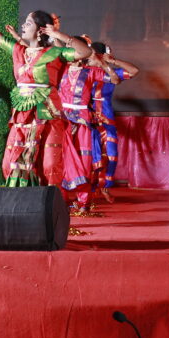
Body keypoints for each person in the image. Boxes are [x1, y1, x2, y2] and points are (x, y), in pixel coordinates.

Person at [0, 0, 90, 187]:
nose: (23, 26)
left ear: (40, 30)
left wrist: (57, 33)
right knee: (10, 163)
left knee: (48, 164)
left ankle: (48, 201)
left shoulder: (54, 53)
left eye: (28, 23)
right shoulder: (18, 51)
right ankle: (19, 200)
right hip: (21, 115)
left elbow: (85, 53)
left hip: (48, 114)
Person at [86, 41, 139, 198]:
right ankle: (89, 189)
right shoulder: (84, 71)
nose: (88, 57)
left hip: (107, 120)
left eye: (91, 55)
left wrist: (112, 61)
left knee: (111, 154)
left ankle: (105, 186)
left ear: (100, 56)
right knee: (90, 154)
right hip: (88, 120)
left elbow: (134, 71)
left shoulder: (111, 74)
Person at [59, 37, 106, 210]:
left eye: (73, 48)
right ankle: (60, 200)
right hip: (61, 118)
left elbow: (115, 78)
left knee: (83, 158)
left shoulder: (91, 71)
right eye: (67, 48)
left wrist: (104, 62)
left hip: (82, 120)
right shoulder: (59, 68)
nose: (69, 51)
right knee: (61, 158)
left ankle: (83, 201)